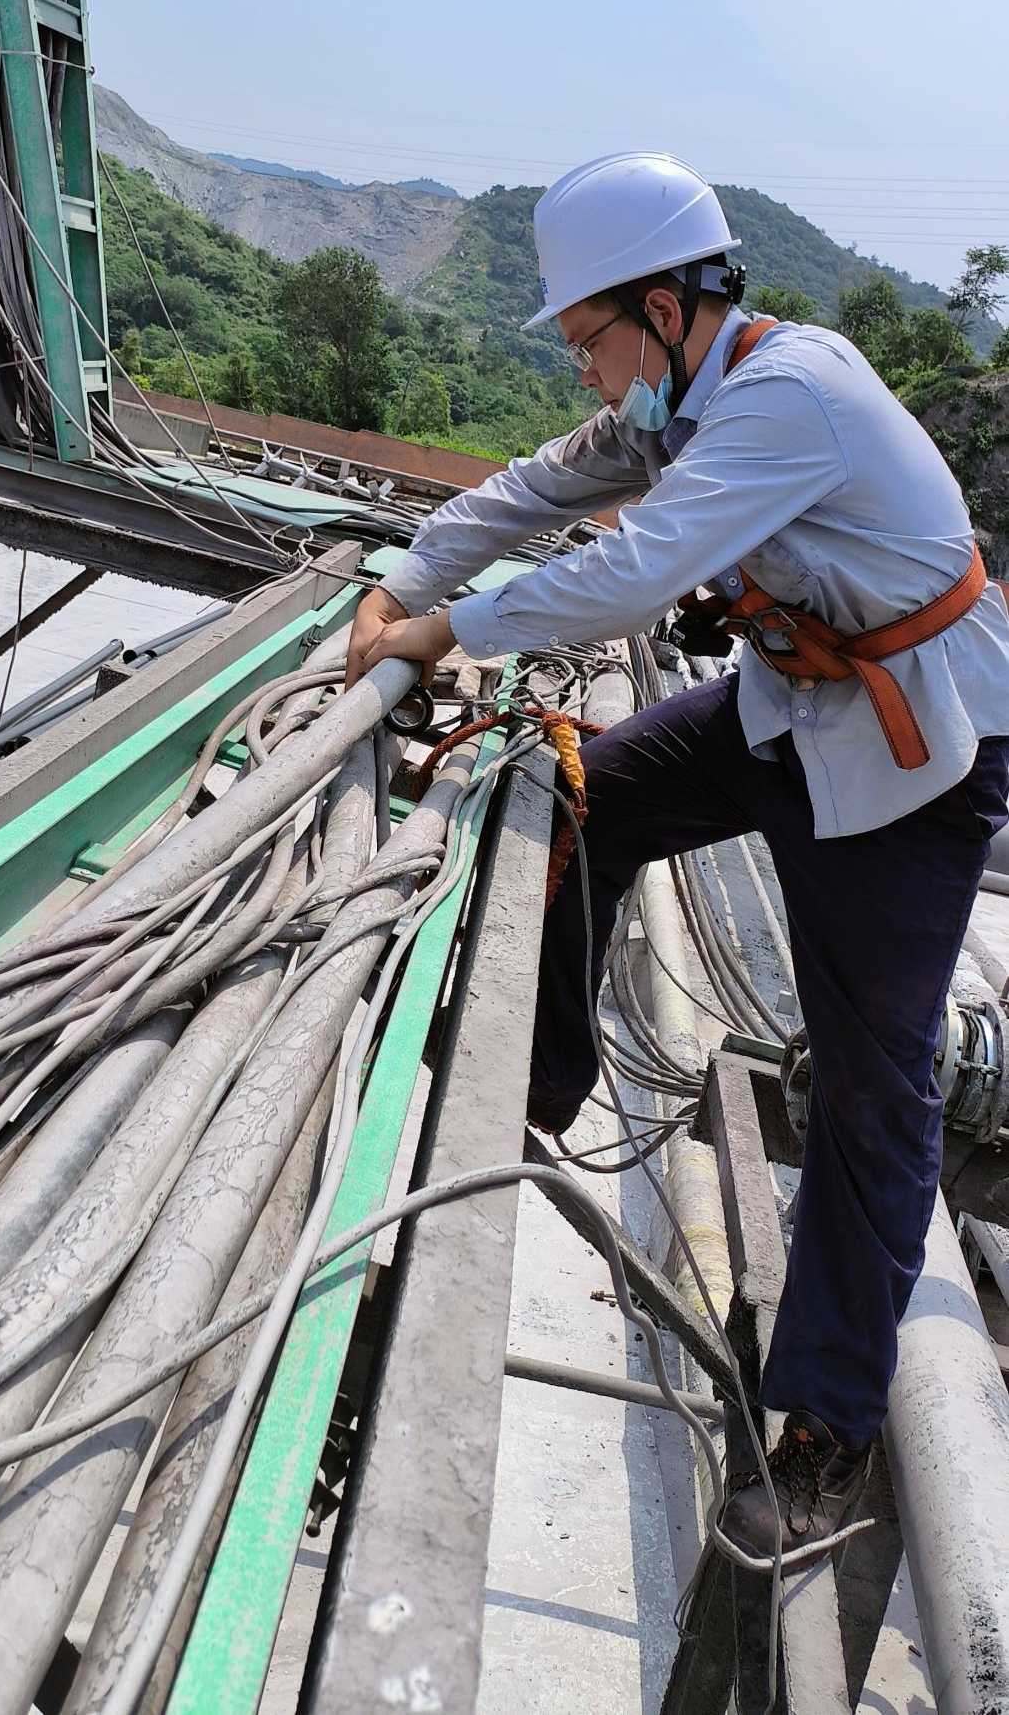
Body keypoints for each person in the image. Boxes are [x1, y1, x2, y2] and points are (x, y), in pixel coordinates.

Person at [344, 151, 1009, 1564]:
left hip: (911, 755)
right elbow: (534, 491)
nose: (590, 377)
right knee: (585, 791)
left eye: (590, 341)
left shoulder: (788, 397)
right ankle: (536, 1083)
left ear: (659, 304)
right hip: (791, 701)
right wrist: (404, 579)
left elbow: (631, 574)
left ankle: (826, 1436)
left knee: (874, 1095)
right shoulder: (679, 399)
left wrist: (442, 635)